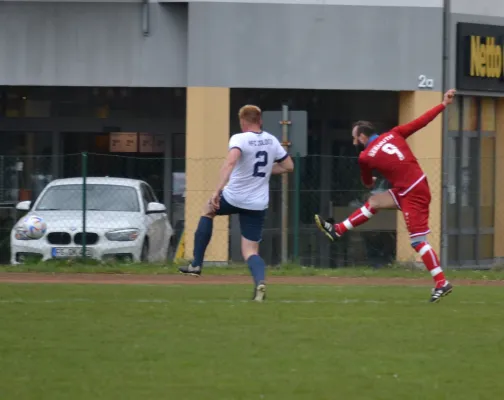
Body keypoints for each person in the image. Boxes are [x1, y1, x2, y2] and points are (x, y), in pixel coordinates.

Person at [314, 89, 457, 303]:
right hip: (413, 186)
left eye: (354, 138)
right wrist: (443, 104)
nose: (353, 142)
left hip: (412, 192)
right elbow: (421, 122)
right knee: (375, 201)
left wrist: (371, 180)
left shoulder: (365, 156)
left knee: (418, 241)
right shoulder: (394, 133)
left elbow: (367, 182)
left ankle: (441, 282)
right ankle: (338, 230)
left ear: (362, 137)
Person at [179, 105, 294, 302]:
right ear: (260, 120)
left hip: (234, 197)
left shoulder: (239, 139)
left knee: (208, 210)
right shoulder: (272, 140)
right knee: (250, 251)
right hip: (257, 203)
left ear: (242, 121)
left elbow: (230, 162)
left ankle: (196, 264)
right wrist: (267, 169)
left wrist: (216, 191)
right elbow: (288, 166)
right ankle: (260, 282)